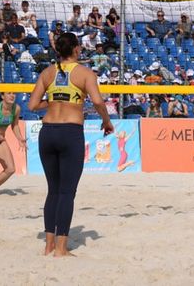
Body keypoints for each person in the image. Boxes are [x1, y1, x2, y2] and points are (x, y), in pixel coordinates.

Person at [28, 32, 114, 257]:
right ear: (76, 49)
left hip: (47, 133)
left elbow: (32, 105)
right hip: (70, 132)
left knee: (53, 191)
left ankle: (48, 245)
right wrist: (106, 121)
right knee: (67, 192)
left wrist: (55, 99)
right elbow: (97, 101)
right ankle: (61, 249)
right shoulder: (86, 73)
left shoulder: (47, 73)